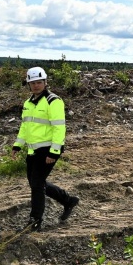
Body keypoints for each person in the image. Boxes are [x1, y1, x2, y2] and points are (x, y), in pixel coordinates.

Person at [11, 66, 79, 232]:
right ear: (28, 84)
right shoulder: (28, 103)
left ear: (45, 82)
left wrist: (54, 152)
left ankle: (35, 221)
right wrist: (17, 145)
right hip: (33, 150)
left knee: (37, 185)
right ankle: (68, 200)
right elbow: (25, 127)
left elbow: (59, 128)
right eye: (33, 82)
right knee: (36, 183)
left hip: (48, 149)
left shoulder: (53, 101)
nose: (36, 85)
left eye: (39, 82)